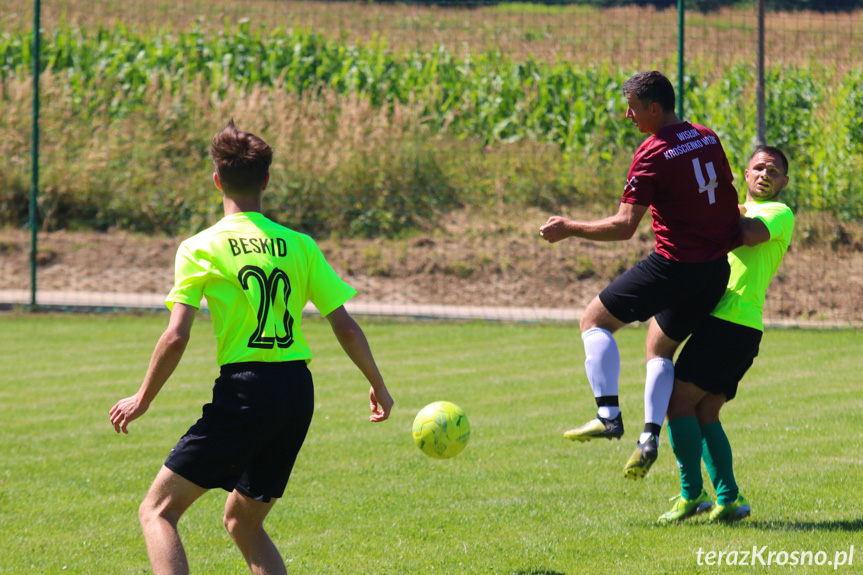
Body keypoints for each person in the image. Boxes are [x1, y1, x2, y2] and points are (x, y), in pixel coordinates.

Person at [109, 120, 394, 575]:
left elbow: (177, 335)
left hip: (247, 391)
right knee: (243, 522)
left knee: (157, 511)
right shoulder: (300, 245)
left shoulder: (200, 246)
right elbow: (345, 325)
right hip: (297, 393)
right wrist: (378, 384)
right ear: (266, 180)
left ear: (216, 179)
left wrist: (143, 399)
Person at [539, 70, 742, 479]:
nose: (627, 115)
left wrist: (569, 228)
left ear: (654, 107)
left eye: (632, 108)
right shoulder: (707, 135)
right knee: (658, 348)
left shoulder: (652, 152)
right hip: (714, 269)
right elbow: (725, 196)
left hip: (675, 266)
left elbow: (624, 226)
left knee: (593, 320)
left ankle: (608, 414)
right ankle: (648, 437)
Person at [658, 146, 794, 523]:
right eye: (759, 167)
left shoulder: (778, 213)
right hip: (726, 325)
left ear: (784, 182)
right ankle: (729, 498)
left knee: (676, 402)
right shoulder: (730, 213)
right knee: (705, 411)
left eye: (774, 170)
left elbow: (748, 234)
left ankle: (691, 494)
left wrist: (713, 210)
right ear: (745, 174)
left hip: (731, 322)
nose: (765, 174)